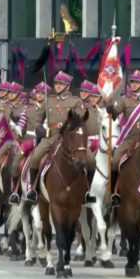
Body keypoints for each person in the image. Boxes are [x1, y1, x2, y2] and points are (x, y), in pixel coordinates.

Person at [27, 71, 86, 204]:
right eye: (57, 83)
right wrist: (38, 127)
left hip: (69, 139)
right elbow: (38, 118)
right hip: (50, 137)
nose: (58, 86)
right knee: (35, 157)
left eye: (61, 84)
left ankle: (87, 191)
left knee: (90, 161)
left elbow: (80, 119)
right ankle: (33, 189)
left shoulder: (76, 101)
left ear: (68, 86)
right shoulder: (48, 100)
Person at [105, 69, 140, 207]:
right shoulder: (125, 100)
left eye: (136, 82)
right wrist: (110, 108)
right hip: (129, 139)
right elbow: (115, 113)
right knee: (114, 161)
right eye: (132, 82)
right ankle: (114, 193)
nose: (133, 84)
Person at [8, 82, 48, 204]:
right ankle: (15, 190)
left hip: (43, 140)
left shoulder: (48, 108)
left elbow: (48, 123)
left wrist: (44, 129)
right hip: (28, 139)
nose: (40, 95)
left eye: (43, 93)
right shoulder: (28, 108)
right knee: (16, 160)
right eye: (38, 93)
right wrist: (15, 127)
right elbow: (22, 124)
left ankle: (33, 188)